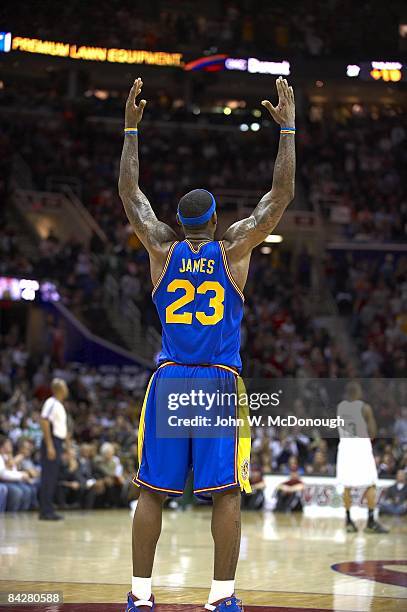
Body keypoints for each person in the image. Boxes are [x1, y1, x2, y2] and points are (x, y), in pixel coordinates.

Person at [119, 75, 295, 612]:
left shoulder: (160, 249)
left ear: (179, 222)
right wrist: (286, 127)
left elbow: (131, 194)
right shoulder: (234, 249)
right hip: (220, 381)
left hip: (170, 378)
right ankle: (221, 598)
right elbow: (280, 195)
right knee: (226, 493)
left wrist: (131, 128)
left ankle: (141, 595)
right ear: (216, 220)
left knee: (151, 491)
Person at [336, 381, 389, 534]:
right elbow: (372, 432)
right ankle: (371, 522)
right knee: (371, 483)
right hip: (360, 446)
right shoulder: (365, 408)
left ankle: (348, 522)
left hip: (345, 447)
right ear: (358, 392)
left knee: (346, 485)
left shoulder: (341, 407)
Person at [39, 378, 69, 520]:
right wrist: (50, 445)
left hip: (57, 442)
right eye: (64, 386)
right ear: (59, 389)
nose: (67, 390)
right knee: (48, 477)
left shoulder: (59, 405)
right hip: (51, 442)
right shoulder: (50, 403)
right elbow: (44, 421)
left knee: (53, 478)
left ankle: (48, 509)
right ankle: (45, 511)